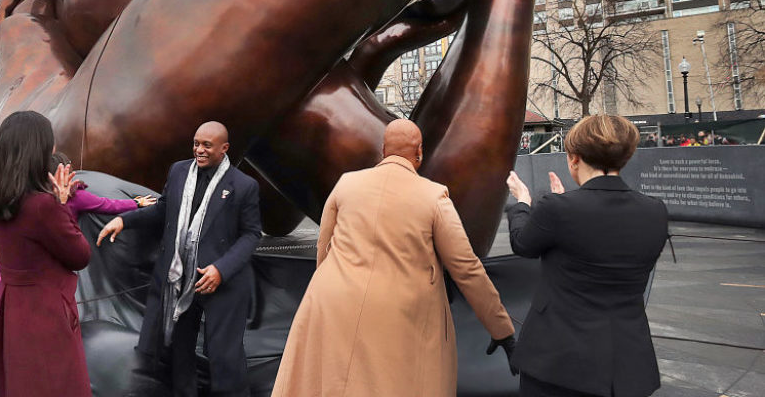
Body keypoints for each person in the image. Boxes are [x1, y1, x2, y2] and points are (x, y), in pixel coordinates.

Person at [271, 119, 515, 397]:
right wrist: (501, 330)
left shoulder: (346, 184)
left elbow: (323, 247)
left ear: (383, 150)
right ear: (419, 153)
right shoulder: (433, 196)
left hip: (332, 301)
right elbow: (466, 268)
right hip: (400, 313)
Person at [506, 115, 669, 397]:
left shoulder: (558, 210)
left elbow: (523, 244)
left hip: (558, 360)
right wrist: (560, 206)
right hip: (627, 361)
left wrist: (522, 203)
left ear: (574, 159)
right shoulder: (655, 210)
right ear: (625, 158)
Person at [97, 121, 262, 397]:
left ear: (224, 148)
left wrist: (221, 270)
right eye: (196, 143)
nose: (199, 150)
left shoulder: (244, 185)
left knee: (225, 357)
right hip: (179, 278)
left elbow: (251, 235)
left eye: (207, 145)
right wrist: (123, 222)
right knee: (179, 352)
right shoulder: (179, 171)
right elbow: (163, 210)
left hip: (222, 281)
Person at [0, 151, 156, 341]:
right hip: (33, 252)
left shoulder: (73, 196)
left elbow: (107, 204)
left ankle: (9, 332)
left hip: (54, 252)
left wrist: (134, 204)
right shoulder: (38, 197)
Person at [0, 111, 92, 396]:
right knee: (55, 384)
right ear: (37, 149)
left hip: (13, 308)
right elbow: (80, 255)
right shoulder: (44, 206)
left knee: (22, 383)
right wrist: (63, 204)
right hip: (46, 311)